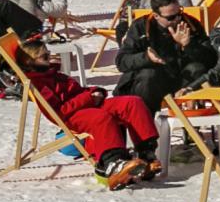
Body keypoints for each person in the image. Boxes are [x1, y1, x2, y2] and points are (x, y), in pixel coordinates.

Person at [13, 34, 159, 186]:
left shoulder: (51, 74)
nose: (49, 58)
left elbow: (77, 91)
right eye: (44, 57)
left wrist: (96, 92)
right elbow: (59, 111)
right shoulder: (39, 83)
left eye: (48, 54)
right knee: (101, 118)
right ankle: (112, 163)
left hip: (85, 105)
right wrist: (89, 97)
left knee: (132, 103)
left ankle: (146, 155)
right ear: (29, 61)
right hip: (70, 116)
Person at [114, 0, 218, 118]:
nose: (177, 19)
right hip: (153, 84)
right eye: (170, 18)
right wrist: (146, 58)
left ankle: (191, 130)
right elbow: (122, 61)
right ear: (156, 16)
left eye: (179, 13)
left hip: (182, 82)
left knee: (196, 69)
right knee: (148, 74)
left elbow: (212, 60)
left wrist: (189, 46)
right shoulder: (141, 27)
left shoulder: (191, 24)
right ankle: (147, 126)